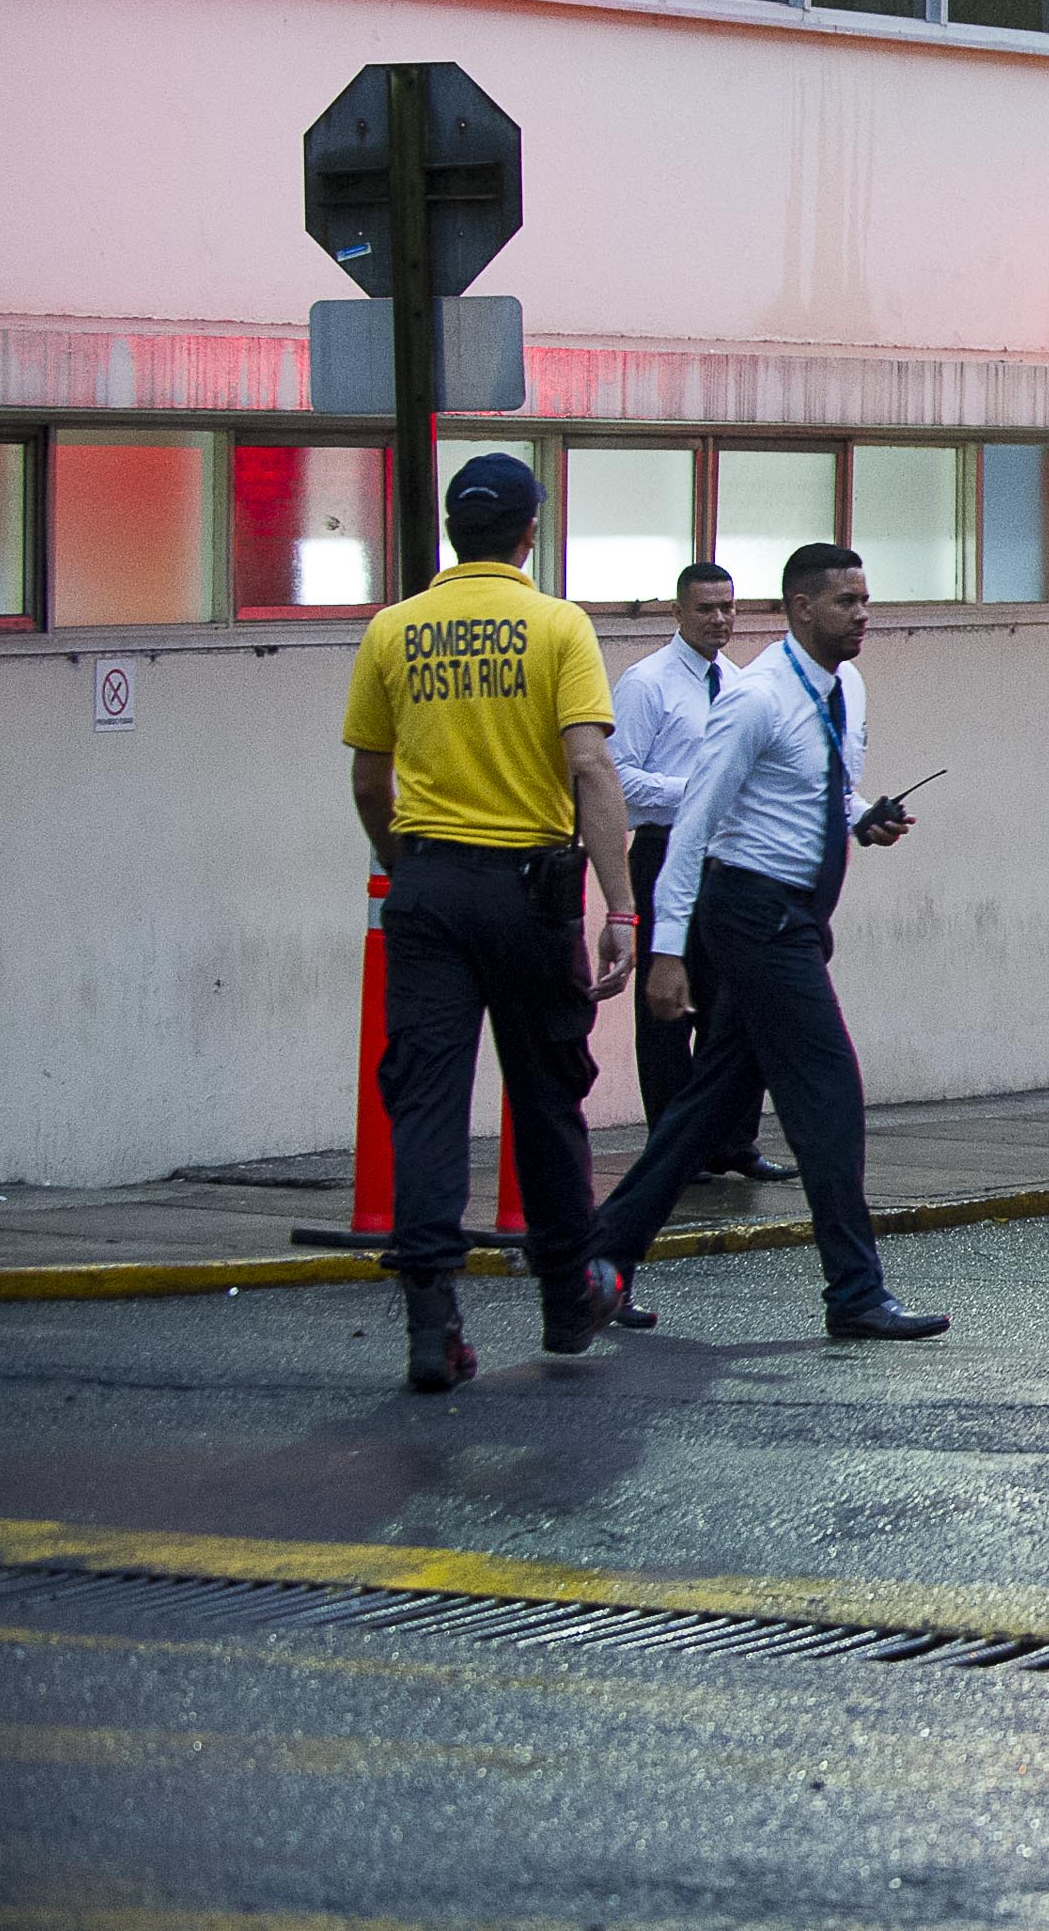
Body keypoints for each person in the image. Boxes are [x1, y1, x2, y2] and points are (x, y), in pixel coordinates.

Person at [584, 542, 946, 1342]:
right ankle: (854, 1292)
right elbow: (694, 829)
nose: (862, 615)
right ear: (801, 608)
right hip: (753, 915)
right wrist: (667, 951)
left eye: (865, 599)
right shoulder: (755, 699)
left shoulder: (845, 686)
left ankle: (598, 1264)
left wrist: (862, 818)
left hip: (797, 920)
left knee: (703, 1109)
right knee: (829, 1097)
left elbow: (825, 787)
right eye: (846, 601)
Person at [341, 452, 638, 1392]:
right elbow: (589, 769)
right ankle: (567, 1297)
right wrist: (621, 905)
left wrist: (411, 871)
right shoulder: (556, 626)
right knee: (547, 1094)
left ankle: (433, 1321)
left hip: (427, 888)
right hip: (530, 893)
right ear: (529, 532)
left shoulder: (394, 630)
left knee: (426, 1099)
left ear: (449, 529)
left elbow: (366, 779)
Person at [609, 563, 790, 1195]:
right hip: (665, 851)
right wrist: (697, 791)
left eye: (729, 608)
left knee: (733, 1003)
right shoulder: (647, 684)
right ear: (679, 613)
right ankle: (676, 1147)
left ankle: (735, 1143)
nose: (720, 619)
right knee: (666, 1009)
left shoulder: (743, 685)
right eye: (707, 608)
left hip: (729, 858)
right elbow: (620, 780)